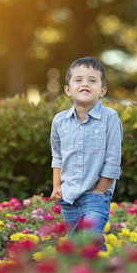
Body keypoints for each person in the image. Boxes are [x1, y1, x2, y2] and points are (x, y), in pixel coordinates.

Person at [50, 56, 123, 250]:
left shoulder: (110, 118)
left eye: (92, 80)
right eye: (78, 80)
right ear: (68, 90)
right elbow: (57, 156)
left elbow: (113, 161)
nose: (85, 84)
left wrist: (99, 191)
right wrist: (57, 186)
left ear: (102, 90)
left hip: (96, 196)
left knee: (84, 241)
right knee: (87, 246)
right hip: (68, 197)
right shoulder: (59, 121)